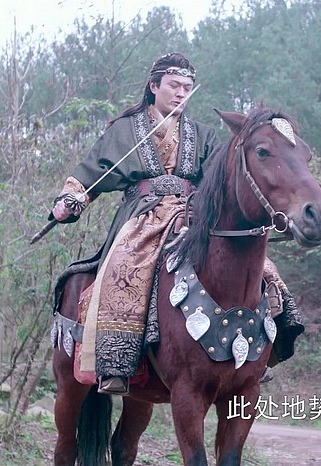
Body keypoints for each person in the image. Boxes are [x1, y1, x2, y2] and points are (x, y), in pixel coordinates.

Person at [49, 52, 303, 395]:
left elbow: (224, 180)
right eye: (174, 85)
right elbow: (91, 174)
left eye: (187, 86)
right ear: (154, 86)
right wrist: (70, 199)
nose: (181, 92)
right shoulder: (125, 130)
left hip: (194, 214)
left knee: (263, 269)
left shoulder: (203, 135)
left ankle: (259, 355)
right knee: (125, 267)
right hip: (143, 217)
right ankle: (116, 363)